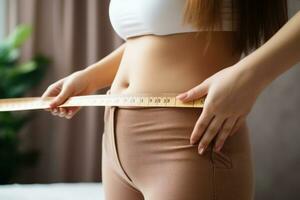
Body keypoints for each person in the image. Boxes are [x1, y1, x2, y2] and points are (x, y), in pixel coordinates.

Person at [41, 0, 299, 199]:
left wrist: (250, 76)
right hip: (116, 143)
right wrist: (90, 77)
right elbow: (153, 36)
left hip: (189, 142)